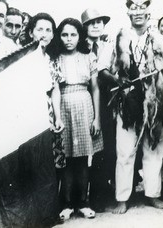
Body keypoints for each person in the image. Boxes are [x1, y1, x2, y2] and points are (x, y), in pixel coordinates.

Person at [98, 0, 163, 214]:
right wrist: (118, 82)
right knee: (125, 150)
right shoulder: (117, 36)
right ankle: (122, 198)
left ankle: (152, 195)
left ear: (149, 10)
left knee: (155, 149)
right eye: (134, 6)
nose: (138, 10)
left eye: (143, 6)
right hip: (127, 101)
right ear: (128, 11)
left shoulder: (159, 38)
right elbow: (102, 69)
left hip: (154, 101)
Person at [49, 17, 101, 221]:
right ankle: (67, 203)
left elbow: (95, 88)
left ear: (80, 36)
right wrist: (57, 116)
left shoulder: (89, 57)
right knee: (66, 157)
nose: (68, 39)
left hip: (85, 104)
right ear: (59, 36)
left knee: (83, 157)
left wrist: (96, 118)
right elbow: (54, 88)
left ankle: (83, 202)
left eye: (73, 34)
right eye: (64, 34)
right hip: (63, 104)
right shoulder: (55, 58)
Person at [81, 8, 114, 212]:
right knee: (86, 148)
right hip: (87, 97)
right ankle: (82, 197)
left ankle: (101, 193)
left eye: (99, 22)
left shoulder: (108, 45)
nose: (96, 26)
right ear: (84, 26)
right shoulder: (79, 44)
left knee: (106, 145)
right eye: (91, 23)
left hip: (108, 98)